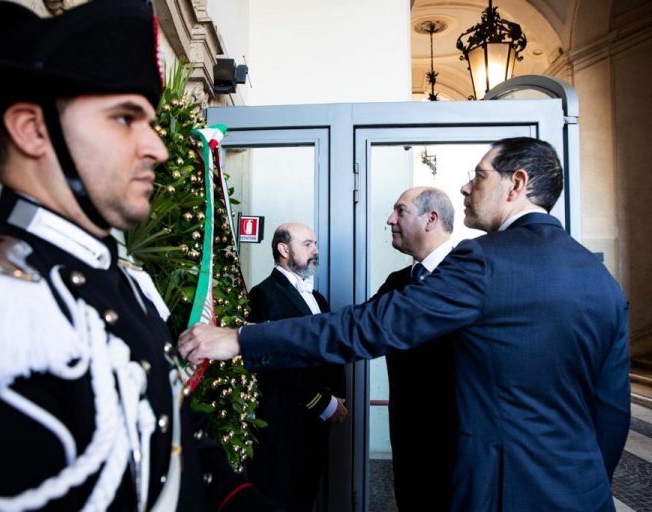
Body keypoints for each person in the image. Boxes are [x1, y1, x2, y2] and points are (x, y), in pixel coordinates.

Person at [0, 1, 274, 510]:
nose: (156, 148)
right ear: (32, 129)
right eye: (124, 118)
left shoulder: (127, 282)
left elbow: (175, 435)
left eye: (150, 121)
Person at [179, 137, 631, 511]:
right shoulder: (602, 282)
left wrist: (240, 338)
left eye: (479, 175)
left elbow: (366, 327)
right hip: (584, 493)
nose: (466, 187)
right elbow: (611, 415)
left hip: (497, 494)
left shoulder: (481, 261)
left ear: (516, 184)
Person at [246, 223, 347, 511]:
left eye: (315, 244)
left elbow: (333, 350)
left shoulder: (318, 299)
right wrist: (324, 403)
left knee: (305, 497)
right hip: (282, 425)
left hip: (315, 423)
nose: (316, 250)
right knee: (280, 499)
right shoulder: (263, 294)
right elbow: (276, 361)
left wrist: (339, 397)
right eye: (307, 244)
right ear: (283, 249)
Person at [374, 187, 456, 511]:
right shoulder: (395, 284)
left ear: (430, 219)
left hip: (460, 454)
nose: (389, 219)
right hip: (409, 448)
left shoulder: (471, 276)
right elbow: (351, 330)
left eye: (400, 211)